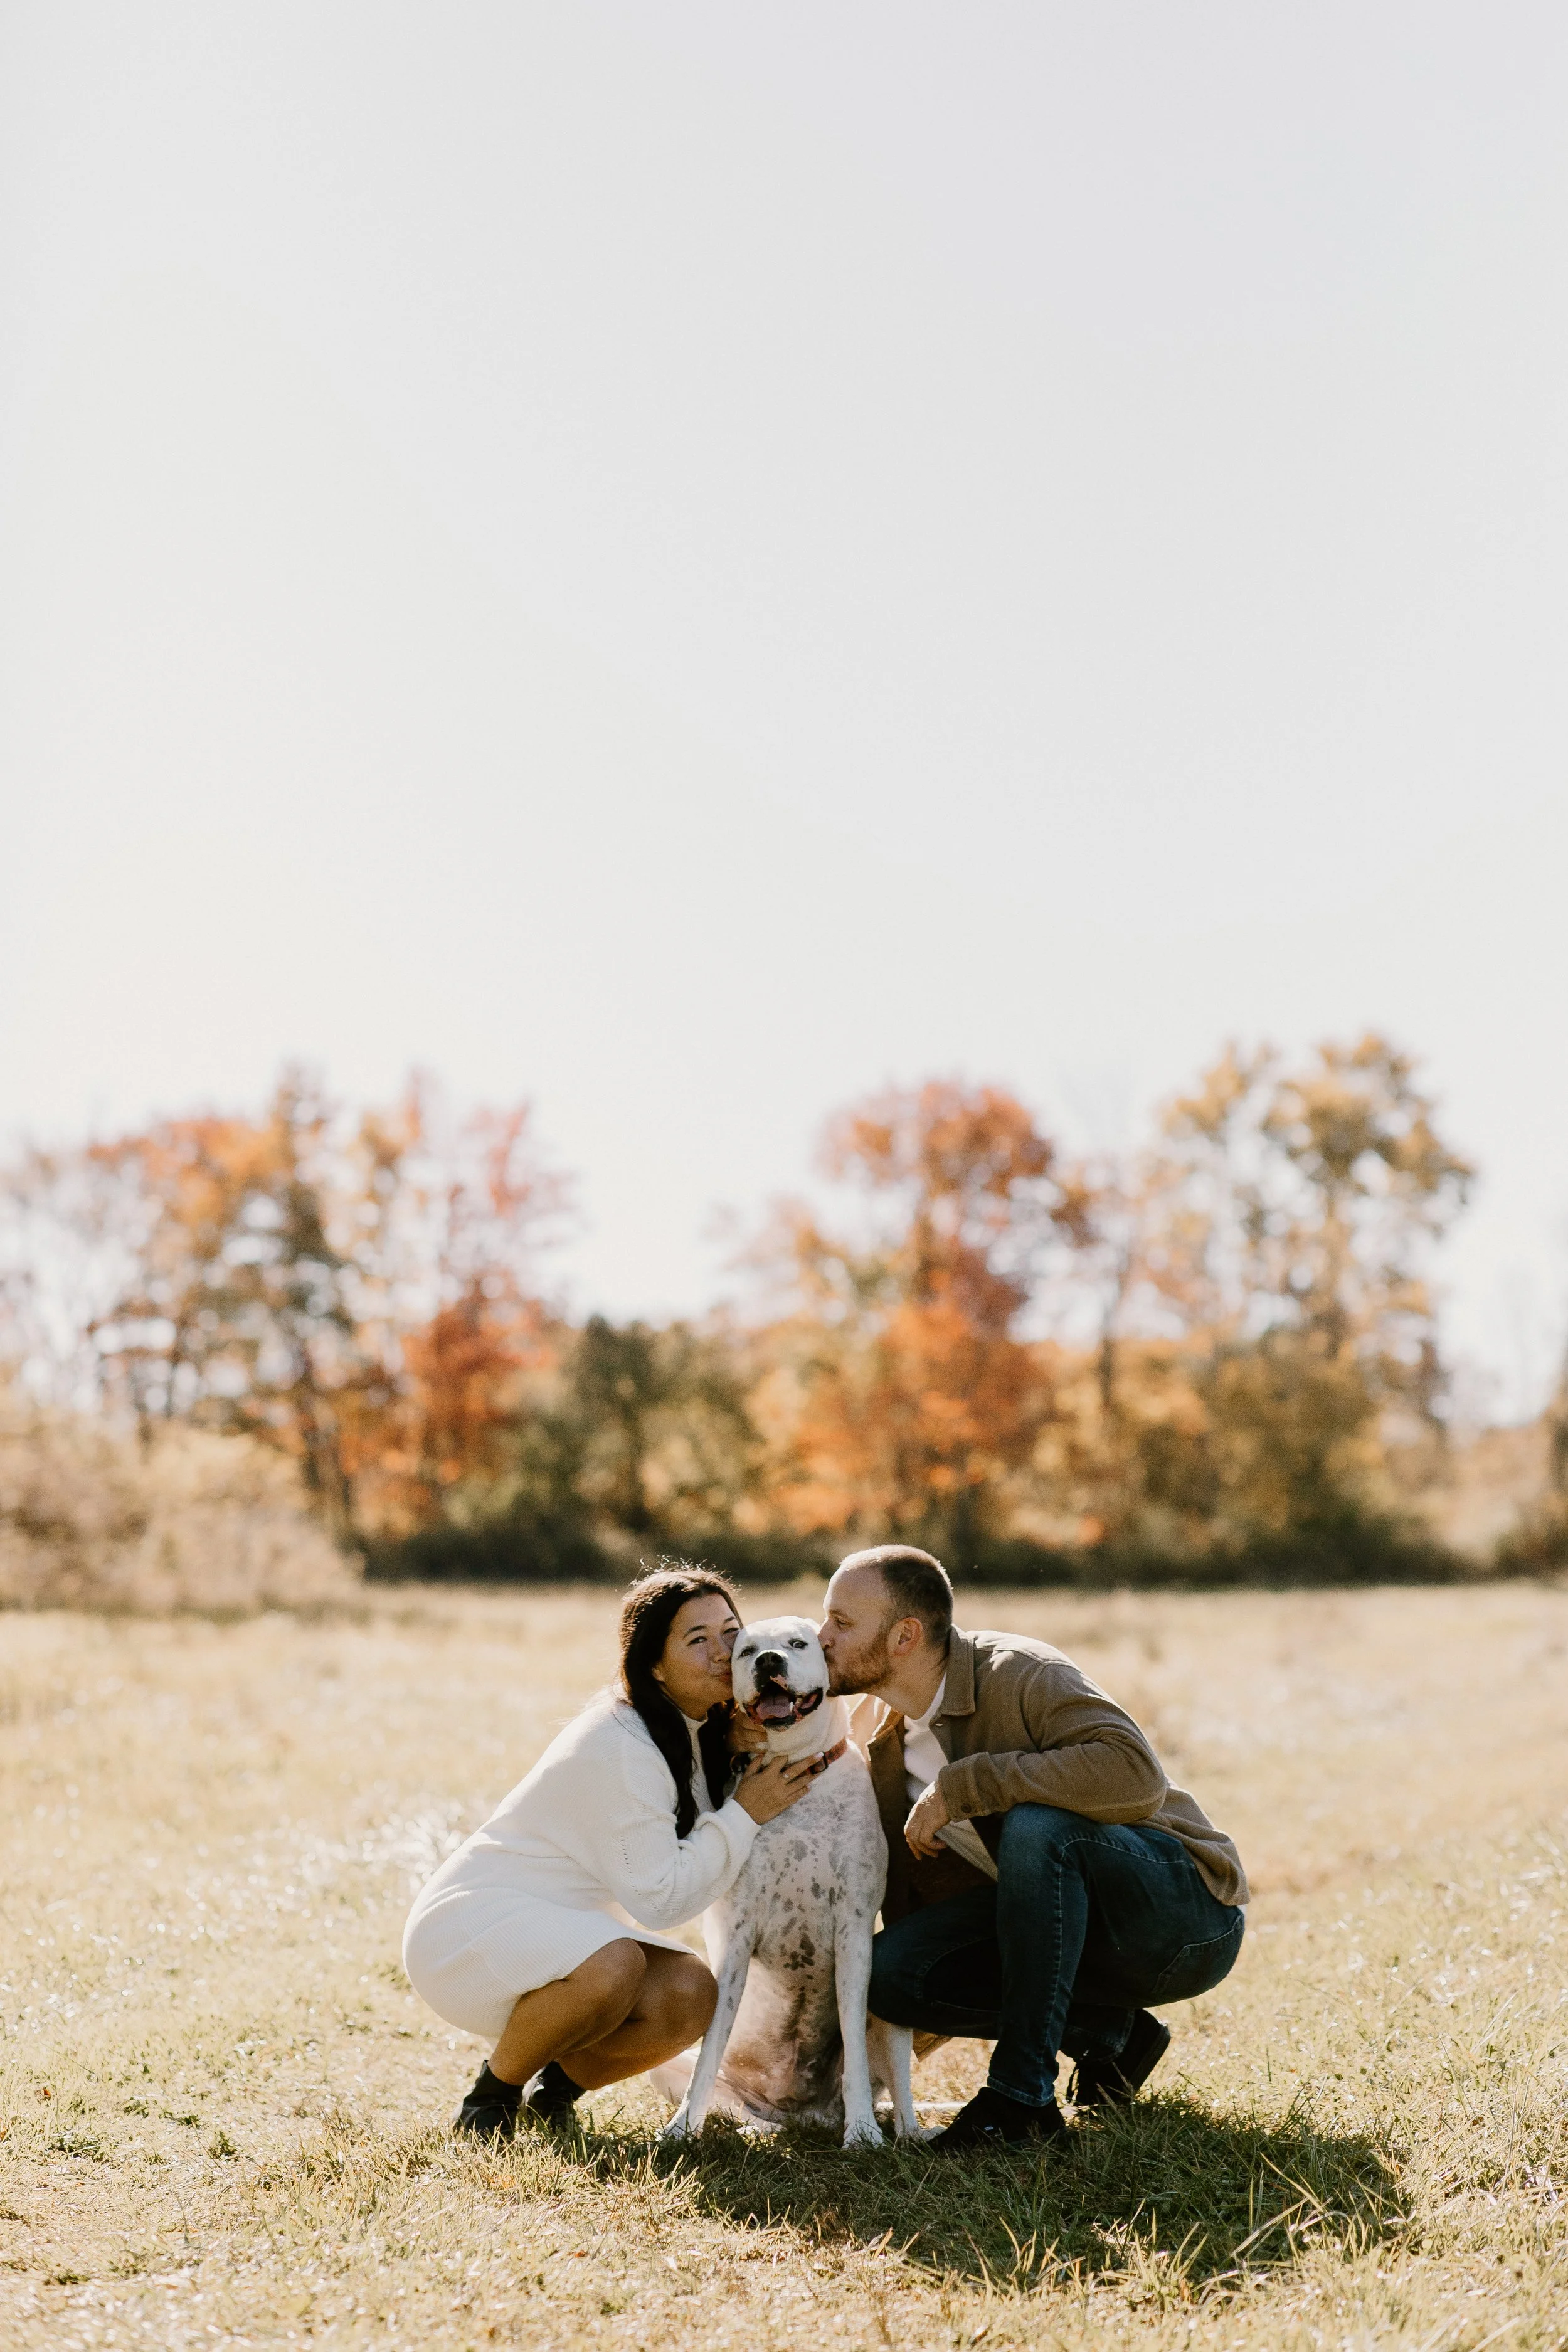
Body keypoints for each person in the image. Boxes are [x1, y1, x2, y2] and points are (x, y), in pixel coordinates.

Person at [818, 1545, 1248, 2153]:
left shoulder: (1019, 1672)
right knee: (887, 1973)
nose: (821, 1637)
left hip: (1182, 1917)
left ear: (903, 1637)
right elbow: (916, 1898)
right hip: (1066, 1932)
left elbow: (1135, 1774)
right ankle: (1111, 2032)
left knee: (1038, 1828)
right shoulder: (882, 1739)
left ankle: (1019, 2103)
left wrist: (964, 1786)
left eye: (840, 1622)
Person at [403, 1567, 819, 2141]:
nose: (725, 1652)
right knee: (616, 1964)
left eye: (730, 1631)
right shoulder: (624, 1742)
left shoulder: (703, 1726)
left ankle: (555, 2093)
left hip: (558, 1930)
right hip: (468, 1931)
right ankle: (491, 2099)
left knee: (690, 1994)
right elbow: (660, 1901)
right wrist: (745, 1812)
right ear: (654, 1665)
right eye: (697, 1641)